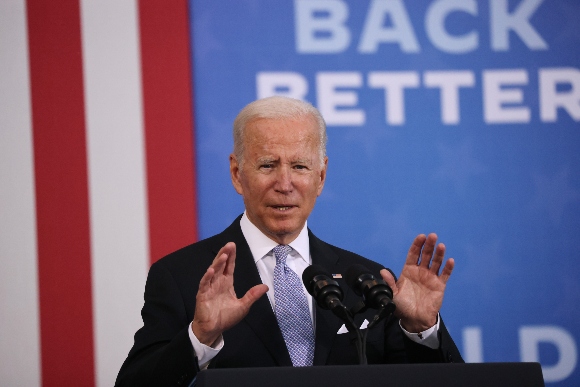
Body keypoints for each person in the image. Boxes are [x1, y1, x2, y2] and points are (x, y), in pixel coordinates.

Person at [115, 96, 463, 386]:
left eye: (299, 166)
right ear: (238, 174)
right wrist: (199, 337)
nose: (285, 184)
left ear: (321, 176)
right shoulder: (182, 276)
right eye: (268, 165)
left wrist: (422, 329)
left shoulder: (370, 284)